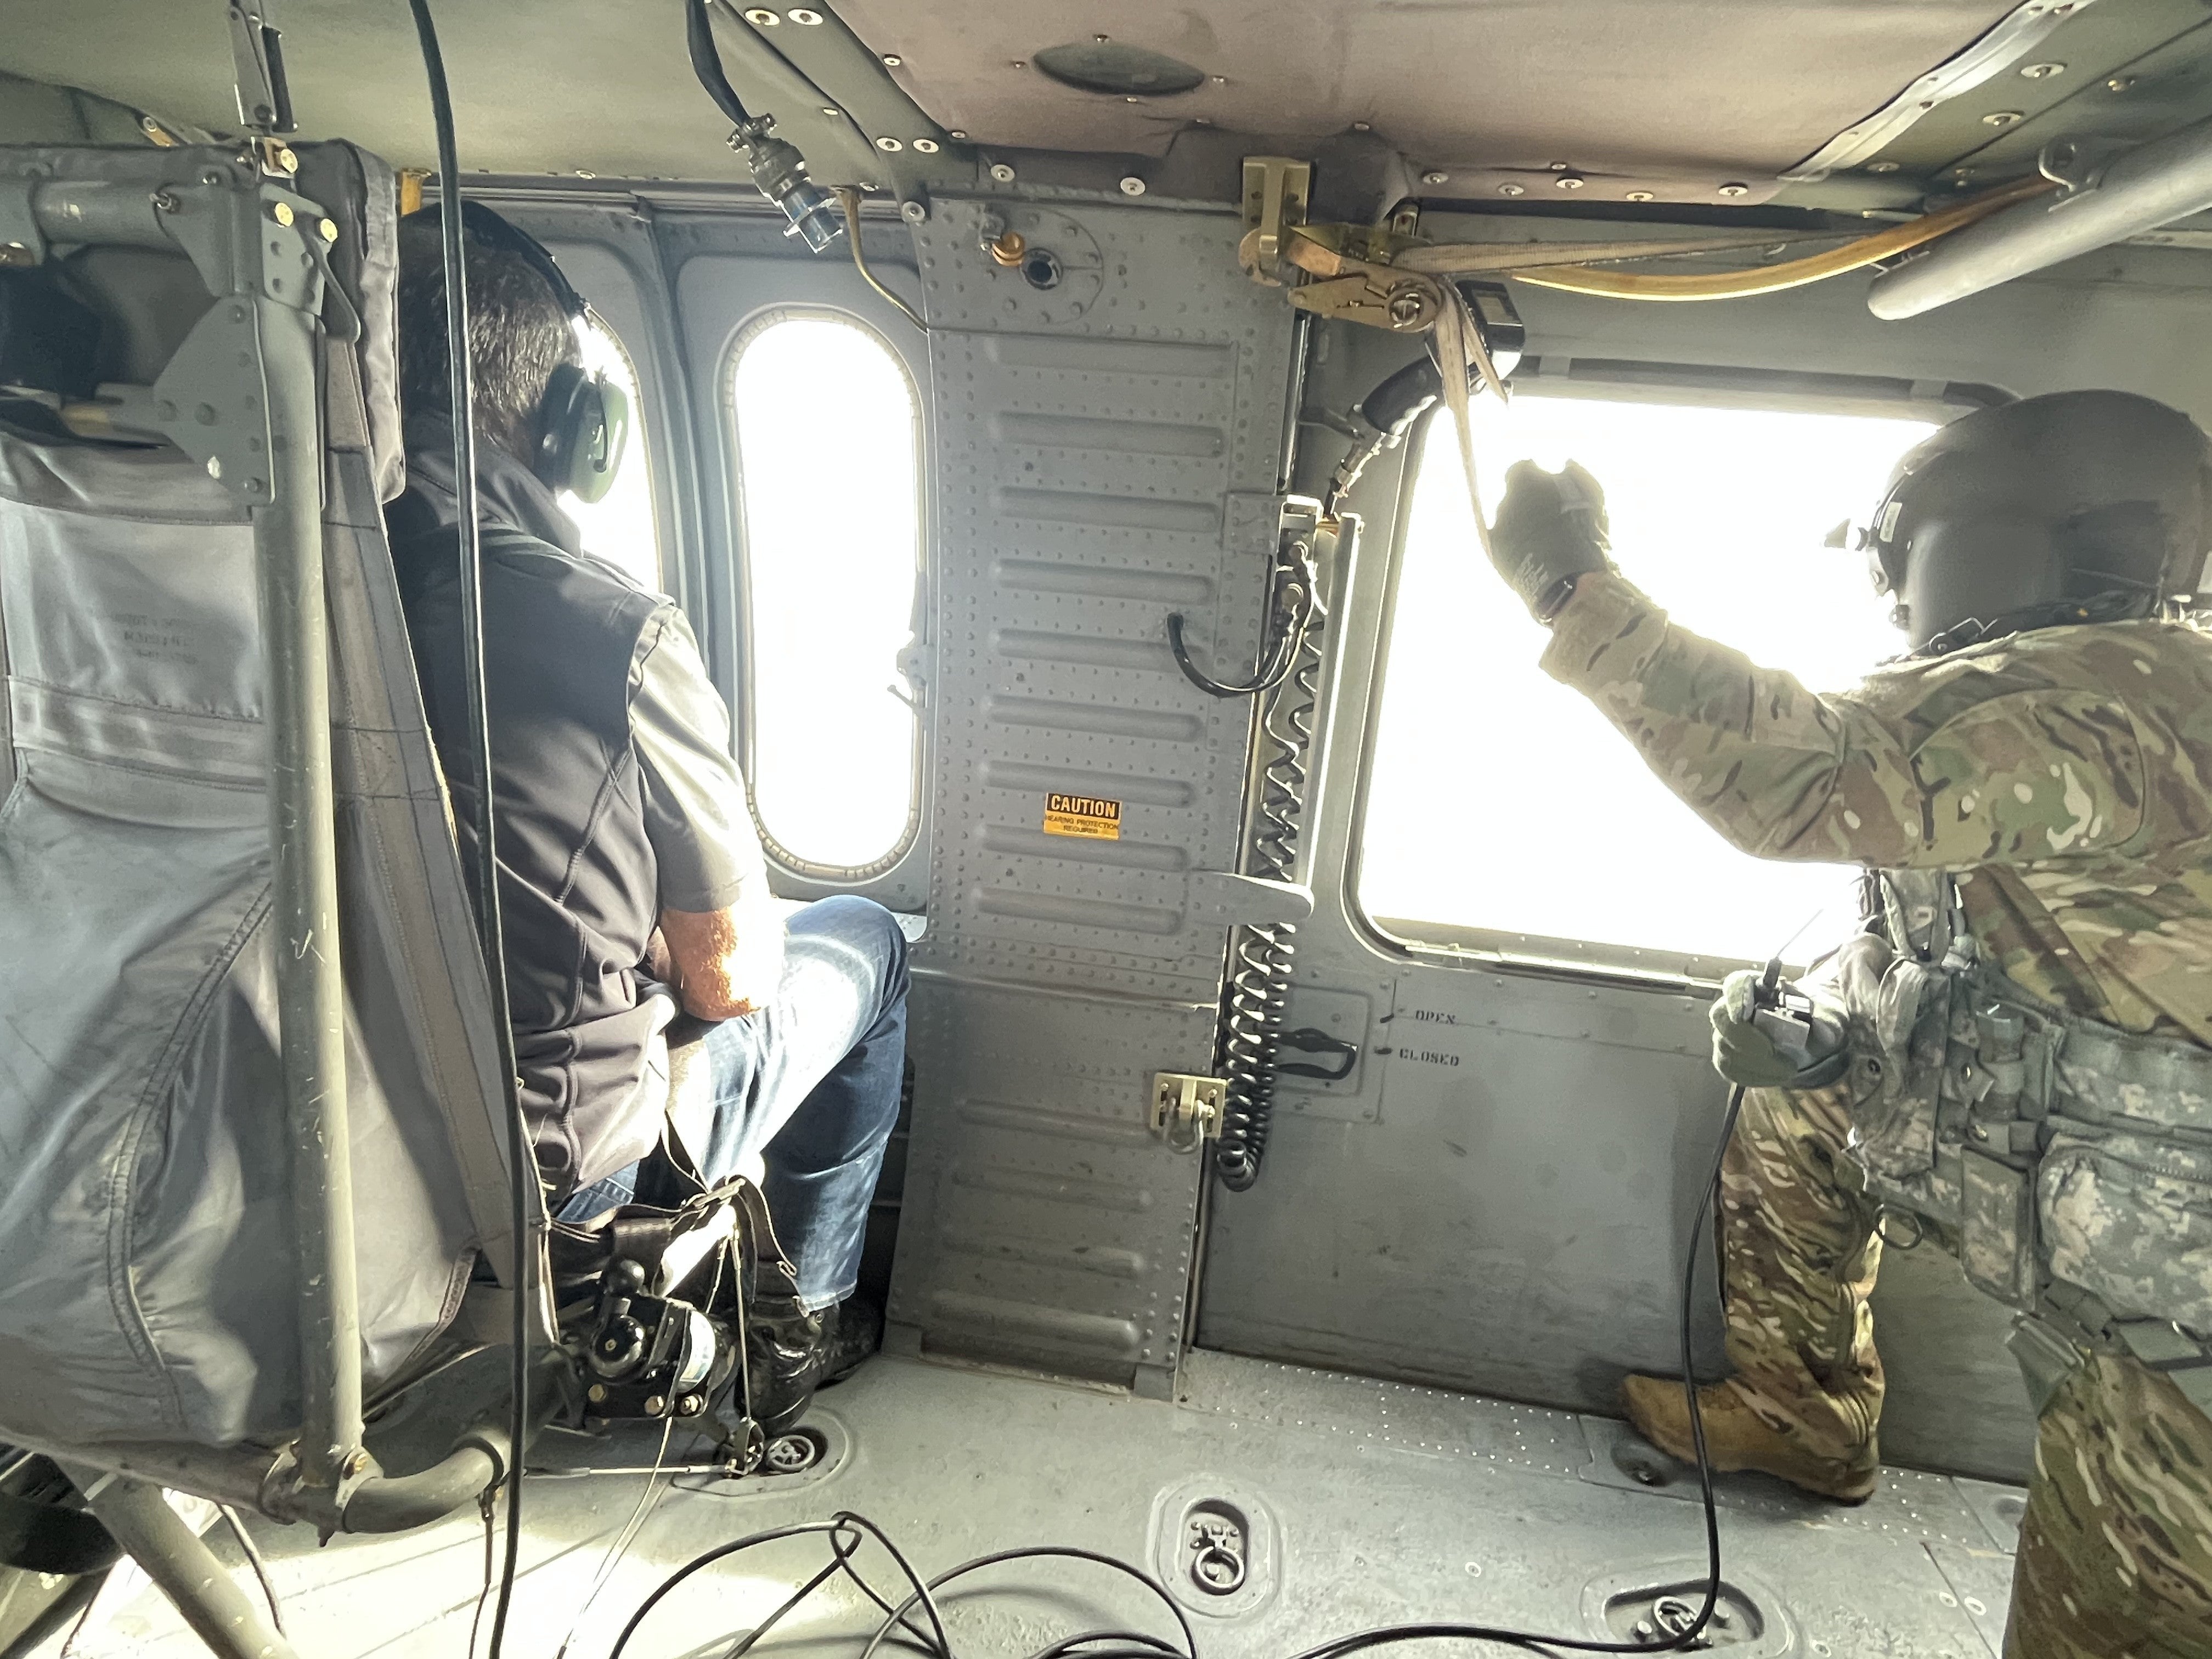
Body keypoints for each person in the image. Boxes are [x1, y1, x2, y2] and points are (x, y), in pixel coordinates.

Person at [1481, 390, 2212, 1657]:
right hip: (2100, 1162)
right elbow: (2000, 941)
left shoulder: (2131, 686)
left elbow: (1799, 775)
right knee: (1803, 1102)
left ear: (2014, 545)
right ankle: (1804, 1415)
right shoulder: (2097, 692)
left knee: (2112, 1606)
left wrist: (1569, 581)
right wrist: (1837, 1019)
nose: (1898, 600)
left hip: (2182, 1332)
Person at [384, 201, 906, 1432]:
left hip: (311, 1140)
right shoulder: (610, 632)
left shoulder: (238, 590)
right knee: (871, 945)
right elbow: (728, 982)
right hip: (556, 1170)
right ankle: (800, 1330)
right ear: (571, 425)